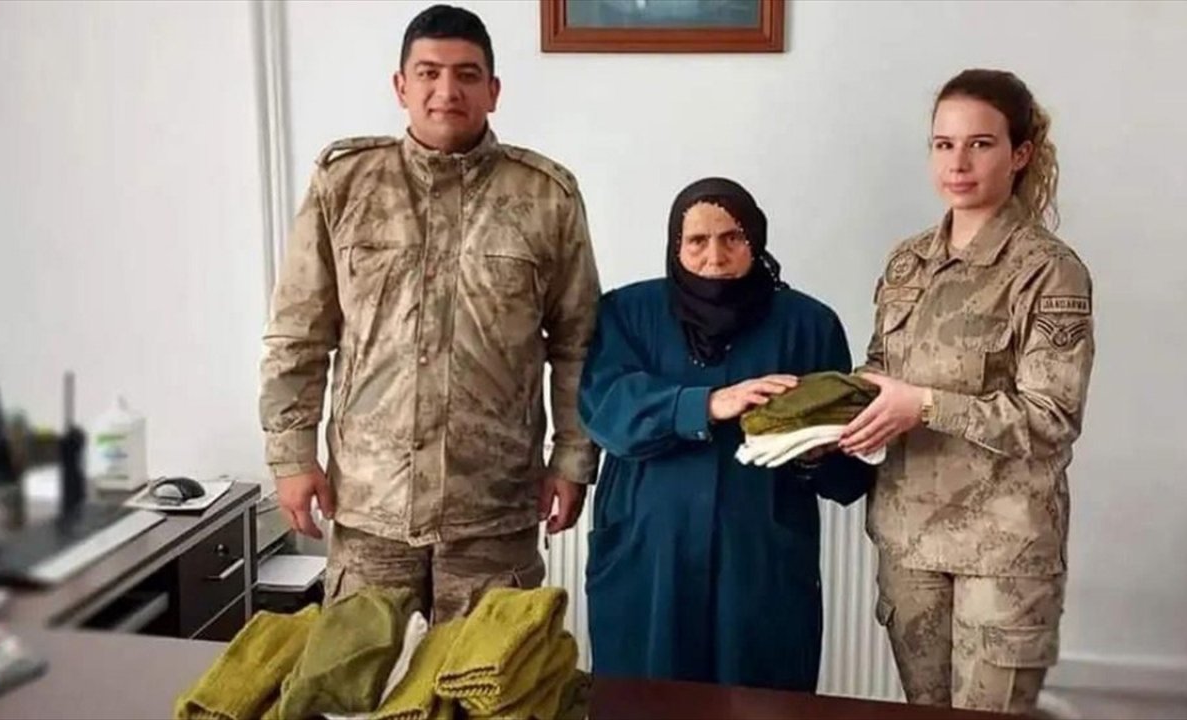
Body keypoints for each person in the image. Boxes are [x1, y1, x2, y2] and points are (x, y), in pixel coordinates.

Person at [258, 4, 601, 622]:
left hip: (493, 509)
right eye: (429, 73)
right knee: (361, 677)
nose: (447, 90)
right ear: (401, 86)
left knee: (491, 677)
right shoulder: (346, 184)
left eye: (467, 75)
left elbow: (577, 344)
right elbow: (299, 335)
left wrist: (571, 460)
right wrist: (293, 456)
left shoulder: (545, 196)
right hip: (370, 506)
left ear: (493, 91)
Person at [839, 69, 1095, 714]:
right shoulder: (907, 262)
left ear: (1020, 154)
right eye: (943, 144)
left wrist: (925, 405)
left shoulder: (1049, 270)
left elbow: (1051, 418)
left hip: (1003, 554)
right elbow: (881, 371)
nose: (958, 162)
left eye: (980, 144)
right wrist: (828, 413)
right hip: (908, 542)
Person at [578, 177, 875, 691]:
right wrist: (708, 403)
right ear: (675, 246)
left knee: (758, 699)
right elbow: (607, 410)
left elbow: (847, 471)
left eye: (732, 237)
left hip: (759, 559)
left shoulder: (808, 324)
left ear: (755, 240)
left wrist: (813, 449)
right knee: (643, 698)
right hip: (650, 556)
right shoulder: (627, 313)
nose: (714, 257)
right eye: (697, 241)